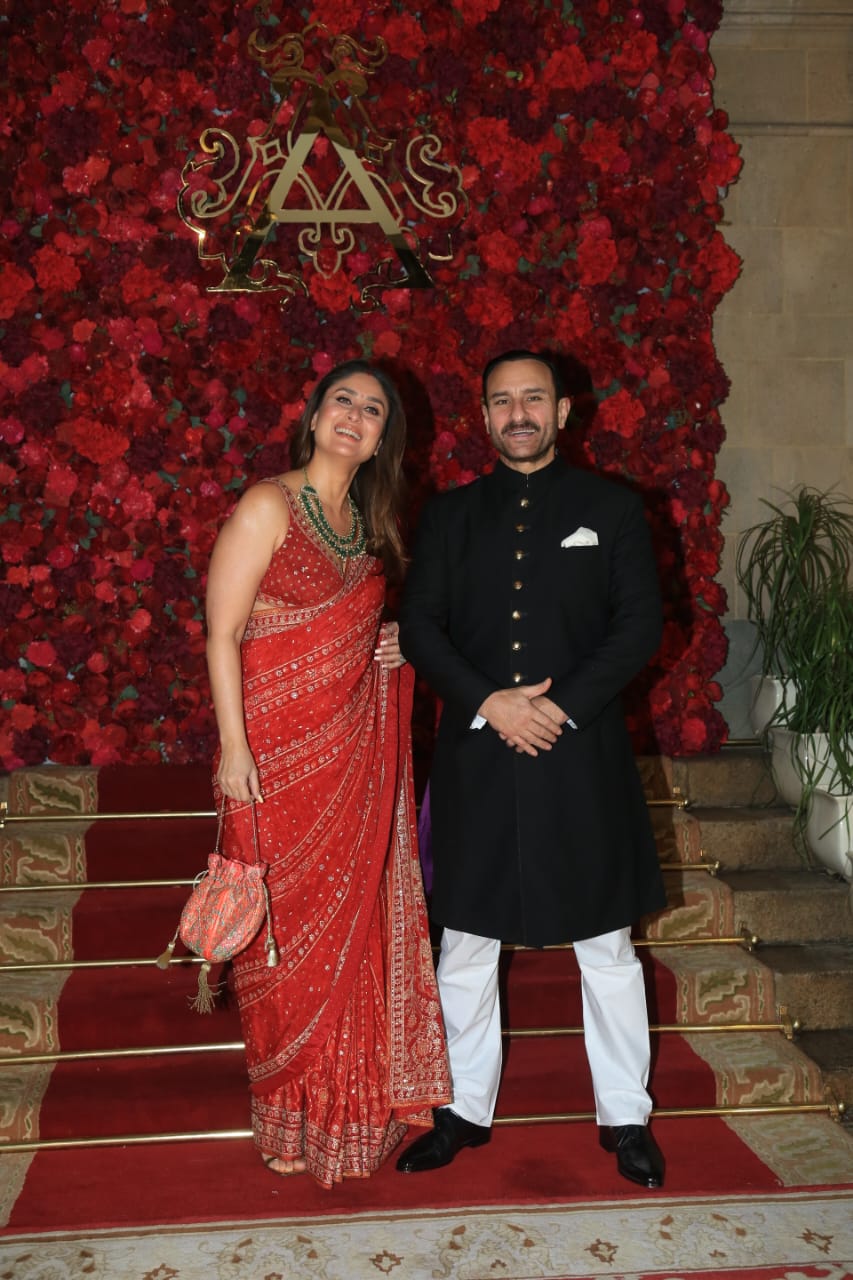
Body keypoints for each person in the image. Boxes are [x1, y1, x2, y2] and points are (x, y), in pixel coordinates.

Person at [395, 349, 667, 1189]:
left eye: (532, 399)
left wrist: (555, 707)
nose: (518, 413)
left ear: (562, 411)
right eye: (501, 401)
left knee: (606, 945)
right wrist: (491, 702)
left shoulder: (612, 510)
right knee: (466, 945)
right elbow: (420, 629)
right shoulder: (447, 516)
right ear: (482, 417)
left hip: (579, 754)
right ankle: (462, 1111)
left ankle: (625, 1117)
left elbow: (637, 627)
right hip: (480, 755)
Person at [205, 359, 450, 1188]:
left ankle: (344, 1106)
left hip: (348, 758)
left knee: (347, 934)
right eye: (340, 400)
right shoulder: (268, 504)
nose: (354, 416)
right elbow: (221, 634)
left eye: (371, 409)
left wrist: (392, 648)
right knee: (279, 944)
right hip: (270, 758)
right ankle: (281, 1103)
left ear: (385, 435)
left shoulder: (370, 519)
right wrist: (234, 750)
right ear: (312, 416)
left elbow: (360, 628)